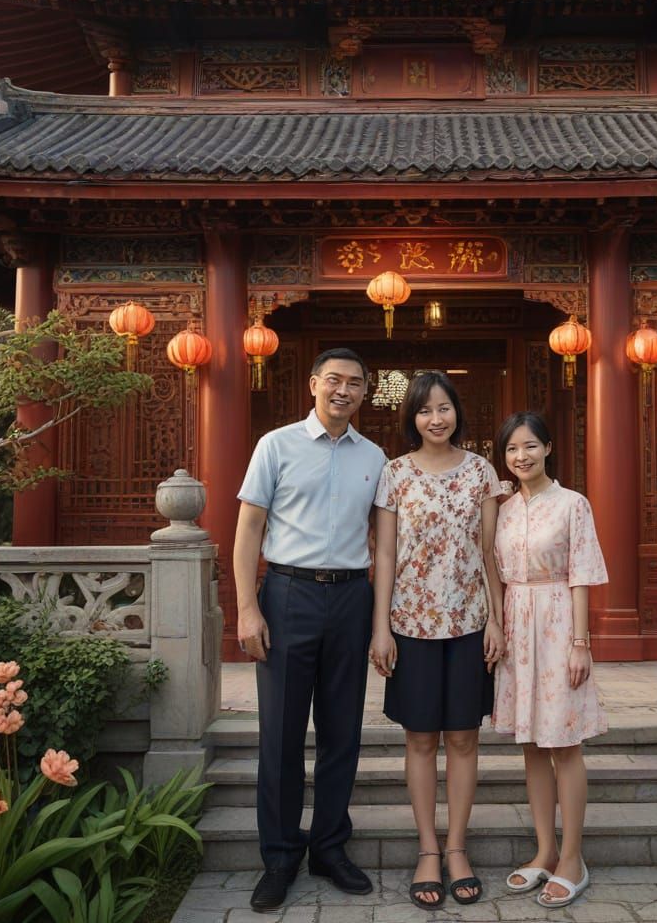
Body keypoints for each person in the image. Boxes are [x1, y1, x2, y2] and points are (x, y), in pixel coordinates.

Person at [234, 348, 387, 913]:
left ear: (366, 392)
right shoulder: (276, 445)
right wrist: (248, 609)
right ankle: (279, 857)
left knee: (342, 730)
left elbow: (383, 540)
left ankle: (328, 848)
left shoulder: (375, 456)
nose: (342, 390)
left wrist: (380, 620)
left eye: (354, 382)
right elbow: (249, 528)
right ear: (313, 384)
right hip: (288, 593)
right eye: (334, 380)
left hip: (351, 595)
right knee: (280, 734)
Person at [368, 371, 505, 911]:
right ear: (412, 419)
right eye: (426, 411)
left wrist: (497, 619)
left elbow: (490, 550)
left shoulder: (481, 472)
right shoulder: (395, 474)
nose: (436, 419)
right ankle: (427, 848)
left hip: (471, 623)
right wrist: (380, 627)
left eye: (444, 408)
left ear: (457, 413)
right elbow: (383, 553)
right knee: (421, 738)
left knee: (465, 739)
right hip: (411, 624)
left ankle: (456, 848)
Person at [490, 411, 609, 909]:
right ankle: (544, 851)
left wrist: (580, 642)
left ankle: (573, 859)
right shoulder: (503, 508)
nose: (522, 456)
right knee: (533, 745)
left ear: (548, 448)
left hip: (559, 621)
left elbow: (581, 573)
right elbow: (493, 572)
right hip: (518, 626)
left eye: (530, 446)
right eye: (513, 449)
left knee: (566, 743)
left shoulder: (572, 505)